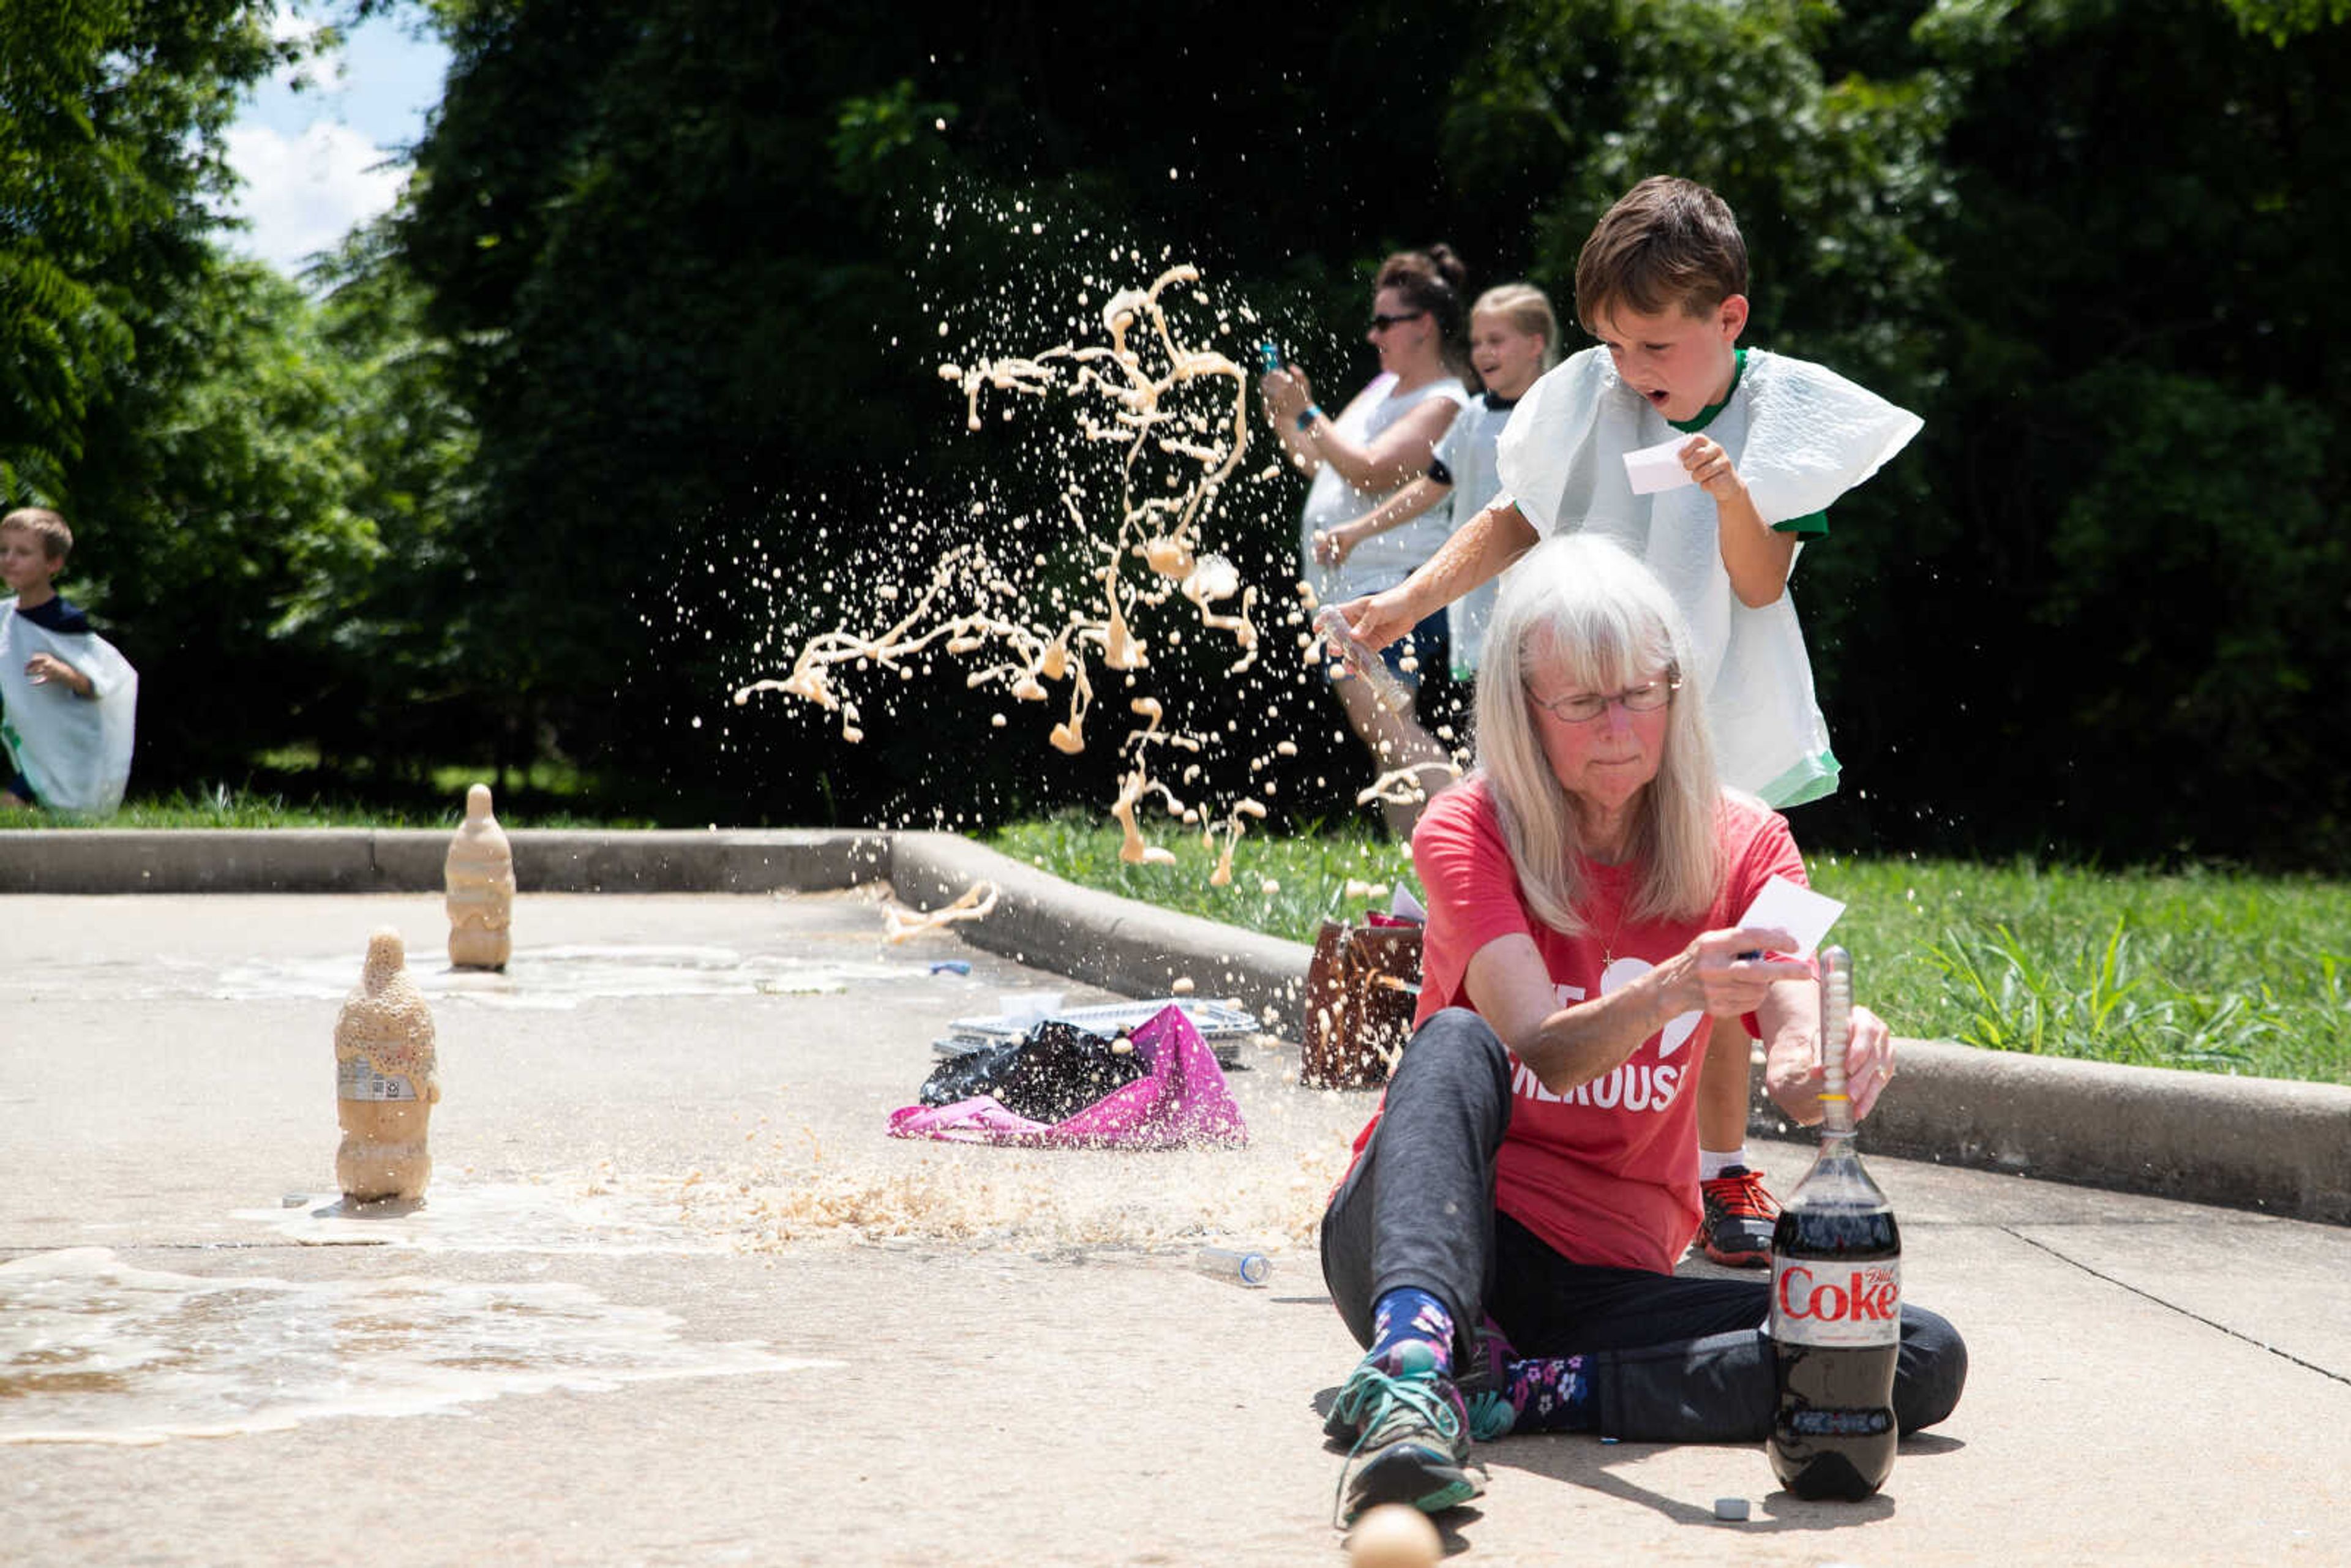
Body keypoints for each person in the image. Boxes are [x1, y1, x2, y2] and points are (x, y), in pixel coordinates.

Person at [1328, 178, 1924, 1262]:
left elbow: (1755, 583)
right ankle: (1492, 1145)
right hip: (1582, 709)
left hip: (1712, 714)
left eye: (1654, 347)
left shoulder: (1779, 416)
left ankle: (1718, 1166)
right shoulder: (1594, 398)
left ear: (1728, 319)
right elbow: (1517, 517)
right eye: (1613, 346)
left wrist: (1729, 489)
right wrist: (1412, 599)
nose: (1634, 372)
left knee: (1729, 949)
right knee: (1562, 933)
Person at [1316, 535, 1964, 1524]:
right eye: (1580, 702)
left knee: (1902, 1350)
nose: (1618, 726)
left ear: (1677, 691)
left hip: (1603, 1287)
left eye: (1641, 693)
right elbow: (1540, 1043)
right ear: (1521, 715)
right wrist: (1667, 992)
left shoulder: (1750, 840)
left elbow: (1795, 1038)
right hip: (1436, 1240)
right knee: (1456, 1040)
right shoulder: (1467, 827)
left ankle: (1523, 1393)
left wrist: (1822, 1054)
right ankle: (1410, 1369)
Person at [1261, 247, 1471, 838]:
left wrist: (1308, 415)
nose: (1373, 333)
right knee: (1385, 745)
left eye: (1385, 322)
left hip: (1394, 583)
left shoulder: (1445, 401)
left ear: (1423, 325)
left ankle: (1480, 833)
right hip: (1350, 586)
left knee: (1384, 723)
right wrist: (1288, 416)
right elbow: (1319, 462)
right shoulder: (1383, 388)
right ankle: (1422, 877)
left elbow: (1372, 469)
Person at [1313, 283, 1560, 697]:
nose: (1483, 352)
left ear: (1536, 343)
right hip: (1476, 603)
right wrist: (1357, 530)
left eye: (1497, 341)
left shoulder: (1553, 413)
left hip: (1546, 601)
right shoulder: (1472, 418)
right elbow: (1429, 488)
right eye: (1477, 342)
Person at [0, 508, 138, 815]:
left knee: (21, 807)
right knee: (16, 806)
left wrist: (64, 672)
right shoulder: (5, 616)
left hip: (69, 746)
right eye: (4, 550)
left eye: (22, 552)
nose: (9, 559)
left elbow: (104, 683)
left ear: (53, 563)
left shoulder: (66, 621)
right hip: (35, 743)